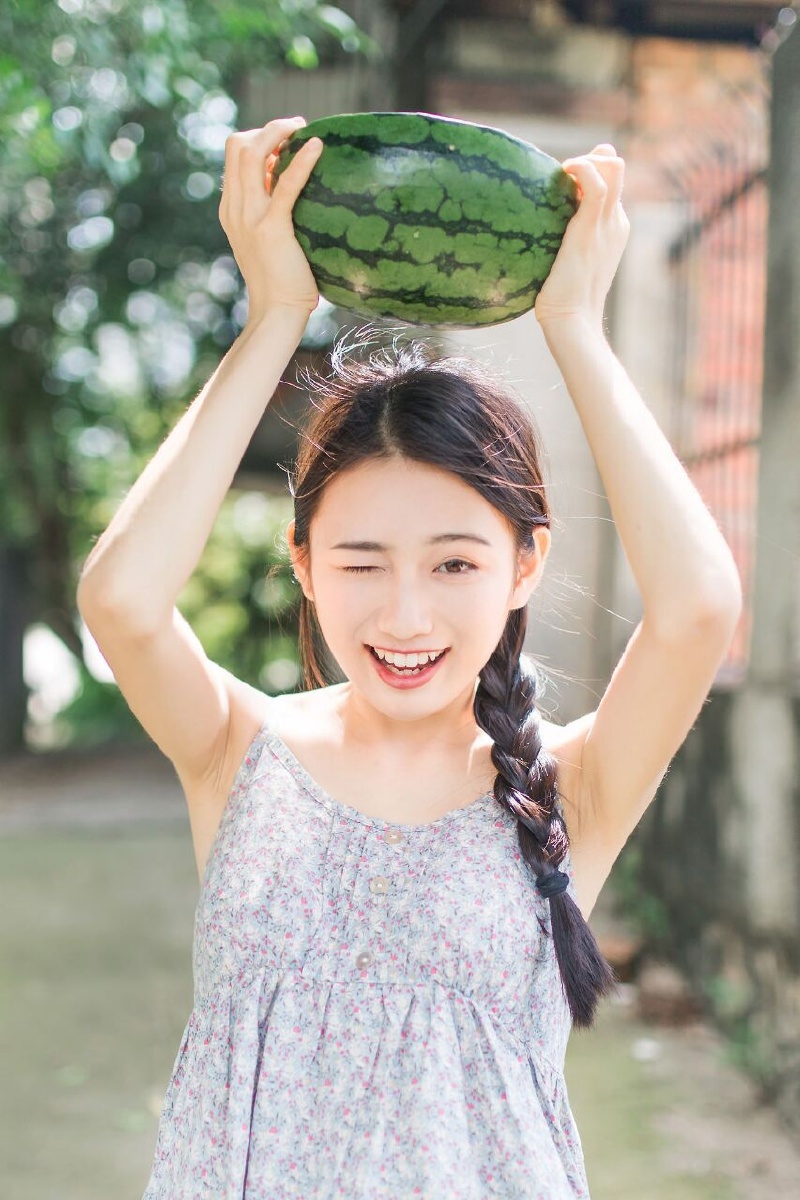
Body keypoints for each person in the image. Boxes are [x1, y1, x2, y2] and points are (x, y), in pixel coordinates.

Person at [76, 116, 742, 1199]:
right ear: (300, 564)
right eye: (359, 562)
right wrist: (272, 319)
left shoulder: (567, 787)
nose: (402, 615)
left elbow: (697, 608)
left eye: (452, 565)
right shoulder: (239, 750)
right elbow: (121, 600)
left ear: (524, 566)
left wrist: (573, 323)